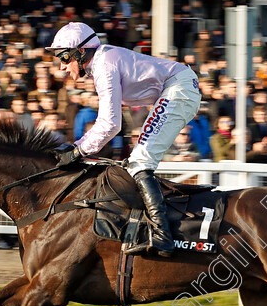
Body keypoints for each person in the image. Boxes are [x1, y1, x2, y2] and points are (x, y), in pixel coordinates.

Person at [47, 22, 201, 257]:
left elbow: (110, 124)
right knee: (135, 163)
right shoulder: (103, 60)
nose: (62, 66)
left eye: (64, 58)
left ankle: (163, 236)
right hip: (177, 87)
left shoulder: (104, 67)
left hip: (177, 88)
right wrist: (79, 148)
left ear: (80, 52)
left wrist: (78, 151)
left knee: (140, 161)